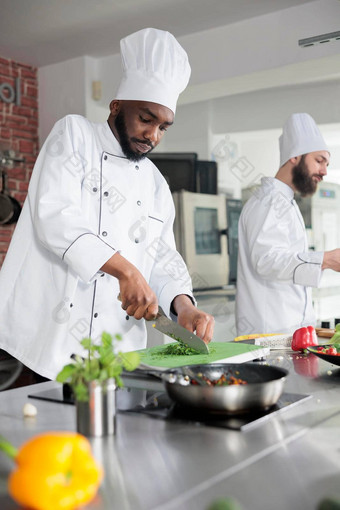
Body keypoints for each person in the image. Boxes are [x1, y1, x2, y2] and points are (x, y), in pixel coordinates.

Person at [0, 28, 214, 380]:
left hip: (116, 353)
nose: (153, 136)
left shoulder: (156, 183)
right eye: (146, 119)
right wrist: (126, 271)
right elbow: (55, 216)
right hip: (45, 347)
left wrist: (184, 306)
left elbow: (162, 256)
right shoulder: (73, 135)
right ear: (117, 106)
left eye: (164, 127)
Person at [236, 112, 340, 336]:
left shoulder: (285, 202)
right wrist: (326, 259)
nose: (324, 171)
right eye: (319, 161)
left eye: (326, 163)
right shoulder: (268, 201)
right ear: (295, 156)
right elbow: (265, 261)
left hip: (288, 334)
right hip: (268, 338)